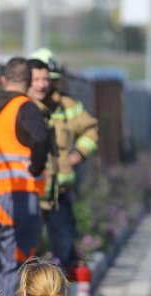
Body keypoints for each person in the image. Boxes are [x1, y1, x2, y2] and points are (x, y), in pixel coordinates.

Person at [0, 57, 49, 296]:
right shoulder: (25, 107)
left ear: (4, 80)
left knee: (0, 262)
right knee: (20, 262)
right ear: (28, 82)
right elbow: (40, 139)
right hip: (19, 195)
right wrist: (37, 168)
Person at [27, 48, 99, 268]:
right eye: (36, 79)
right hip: (30, 192)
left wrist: (78, 154)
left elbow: (91, 129)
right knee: (29, 252)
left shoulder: (67, 106)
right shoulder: (22, 106)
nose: (43, 85)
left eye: (48, 80)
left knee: (65, 246)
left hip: (59, 192)